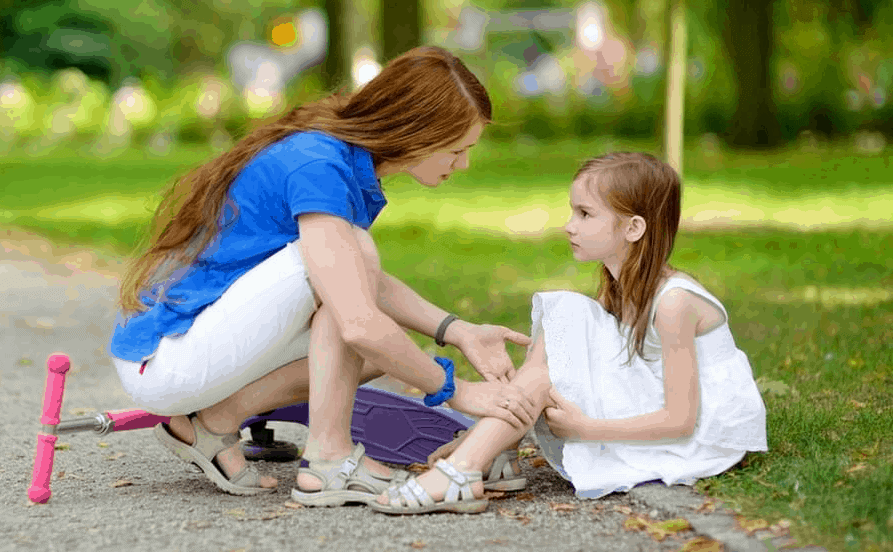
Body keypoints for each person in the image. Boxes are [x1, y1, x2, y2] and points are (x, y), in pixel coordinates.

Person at [109, 46, 539, 505]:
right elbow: (352, 308)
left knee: (383, 346)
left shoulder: (337, 154)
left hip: (189, 347)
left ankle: (212, 422)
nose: (464, 164)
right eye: (457, 149)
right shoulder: (320, 165)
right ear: (415, 131)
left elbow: (356, 285)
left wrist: (458, 331)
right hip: (166, 358)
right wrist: (458, 392)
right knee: (361, 299)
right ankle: (329, 461)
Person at [370, 152, 768, 514]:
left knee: (560, 339)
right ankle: (489, 454)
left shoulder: (673, 303)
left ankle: (465, 469)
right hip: (649, 396)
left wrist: (586, 430)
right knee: (566, 317)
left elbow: (682, 420)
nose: (568, 225)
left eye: (584, 214)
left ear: (633, 228)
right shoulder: (619, 285)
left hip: (700, 434)